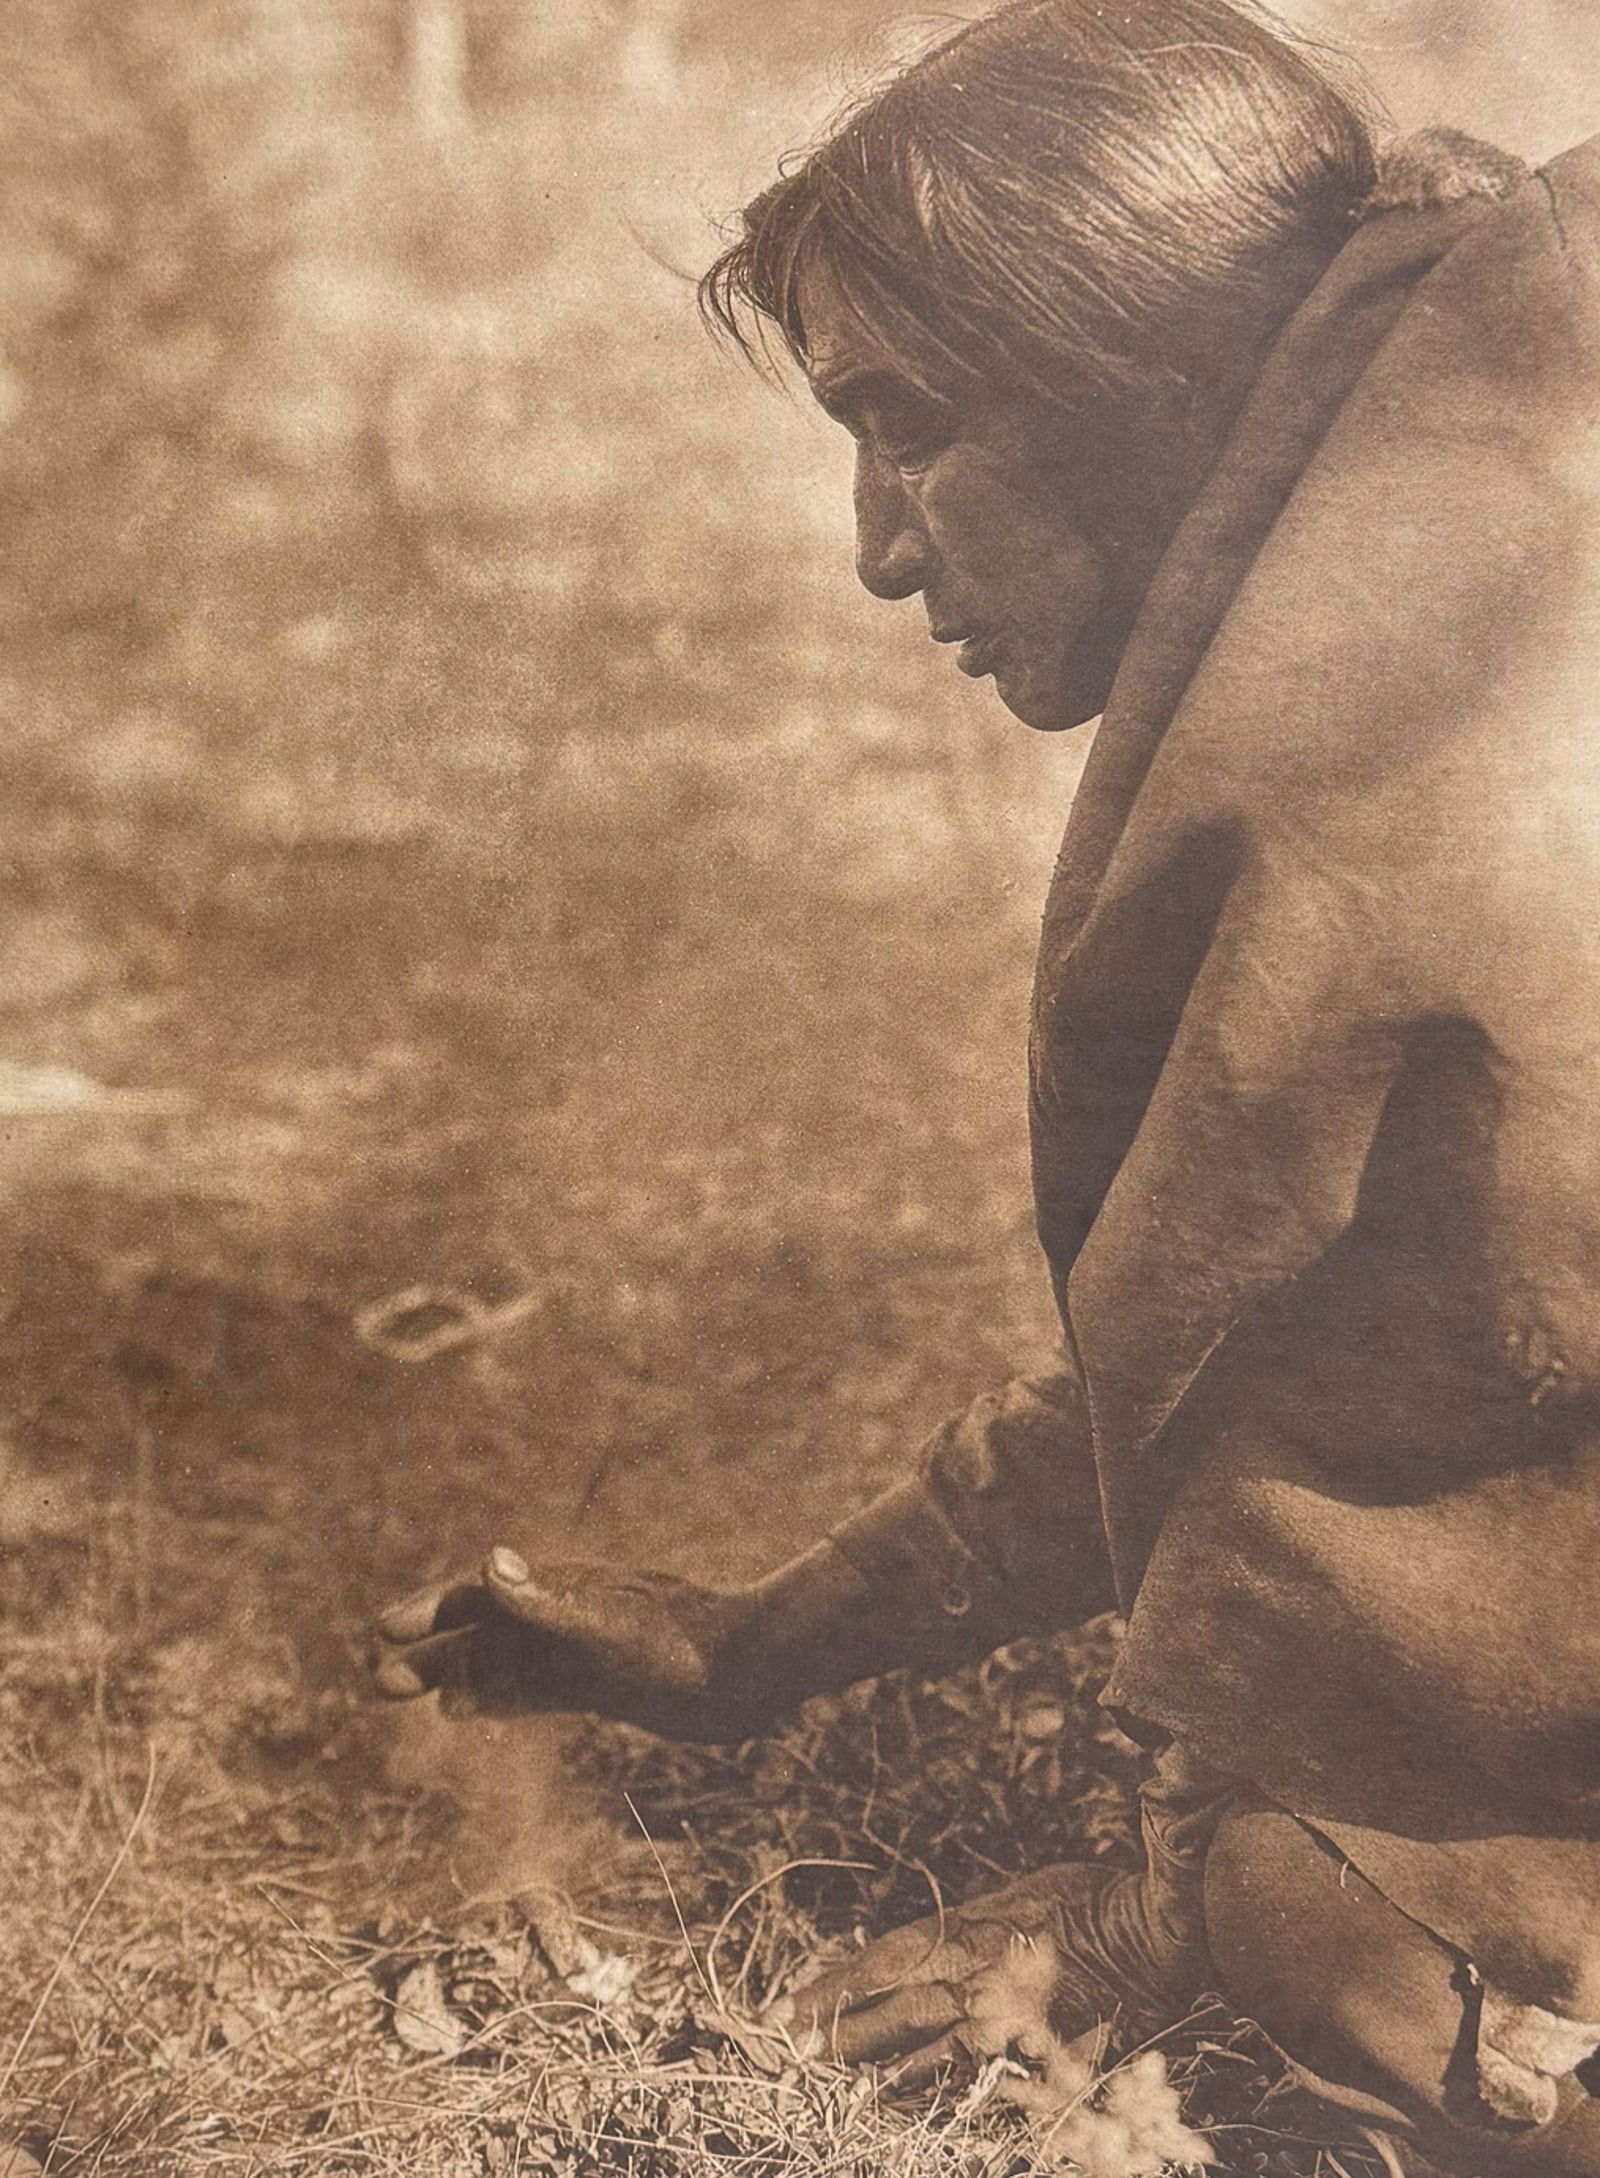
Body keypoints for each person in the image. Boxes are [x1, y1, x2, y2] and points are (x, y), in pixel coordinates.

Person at [373, 3, 1600, 2169]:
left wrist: (1206, 1898)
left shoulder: (1478, 764)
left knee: (1333, 1933)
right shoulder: (1443, 615)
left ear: (1151, 379)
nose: (873, 546)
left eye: (913, 424)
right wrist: (766, 1639)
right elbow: (1322, 1350)